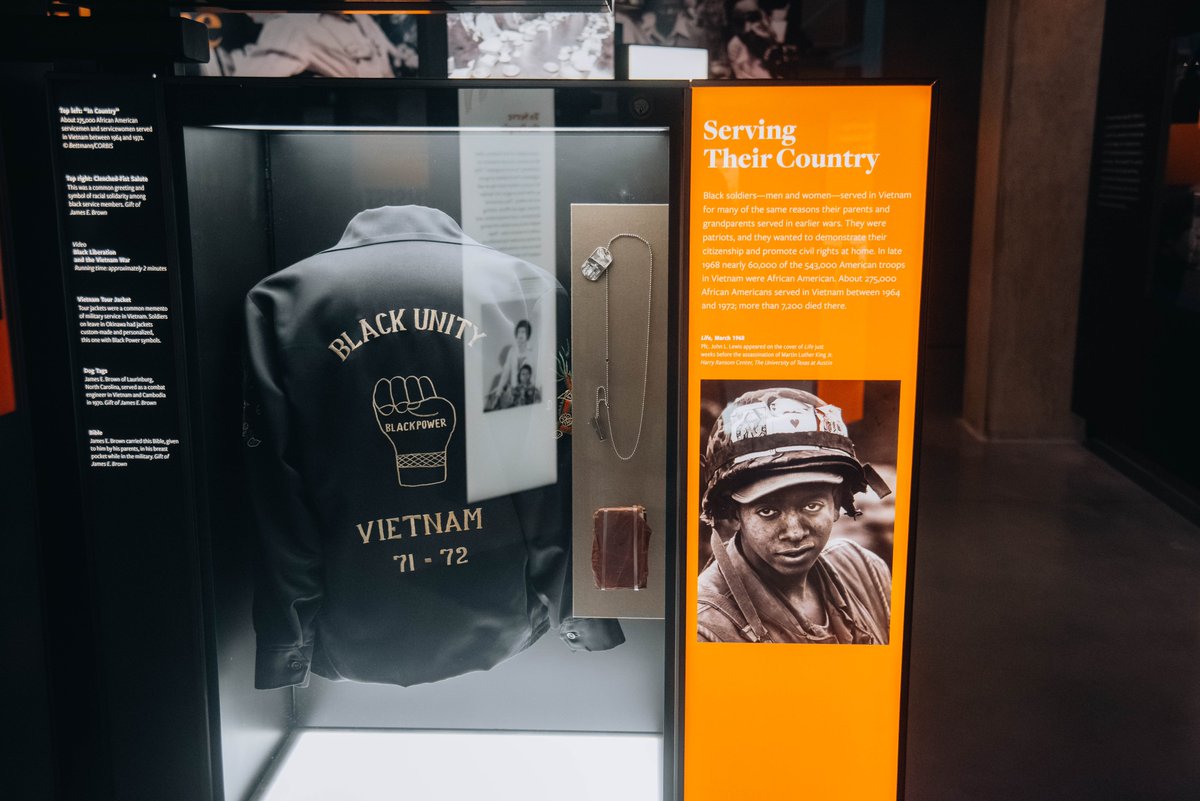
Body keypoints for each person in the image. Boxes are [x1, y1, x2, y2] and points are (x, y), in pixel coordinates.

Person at [697, 387, 893, 644]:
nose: (795, 532)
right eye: (768, 511)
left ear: (836, 503)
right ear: (734, 515)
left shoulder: (863, 569)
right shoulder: (706, 627)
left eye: (811, 506)